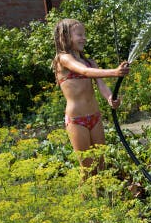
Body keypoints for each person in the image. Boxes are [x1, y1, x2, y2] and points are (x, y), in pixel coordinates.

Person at [52, 19, 130, 173]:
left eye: (84, 34)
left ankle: (103, 197)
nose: (84, 38)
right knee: (88, 169)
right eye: (79, 34)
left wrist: (110, 98)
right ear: (65, 37)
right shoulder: (63, 59)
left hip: (95, 117)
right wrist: (115, 72)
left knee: (101, 163)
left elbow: (100, 85)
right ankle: (87, 197)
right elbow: (84, 72)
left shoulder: (90, 62)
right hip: (77, 121)